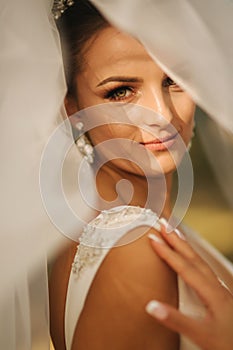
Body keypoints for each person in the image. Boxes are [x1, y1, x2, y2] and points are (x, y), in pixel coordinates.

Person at [49, 1, 233, 349]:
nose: (163, 115)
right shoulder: (137, 249)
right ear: (71, 108)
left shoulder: (132, 230)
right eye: (121, 91)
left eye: (176, 80)